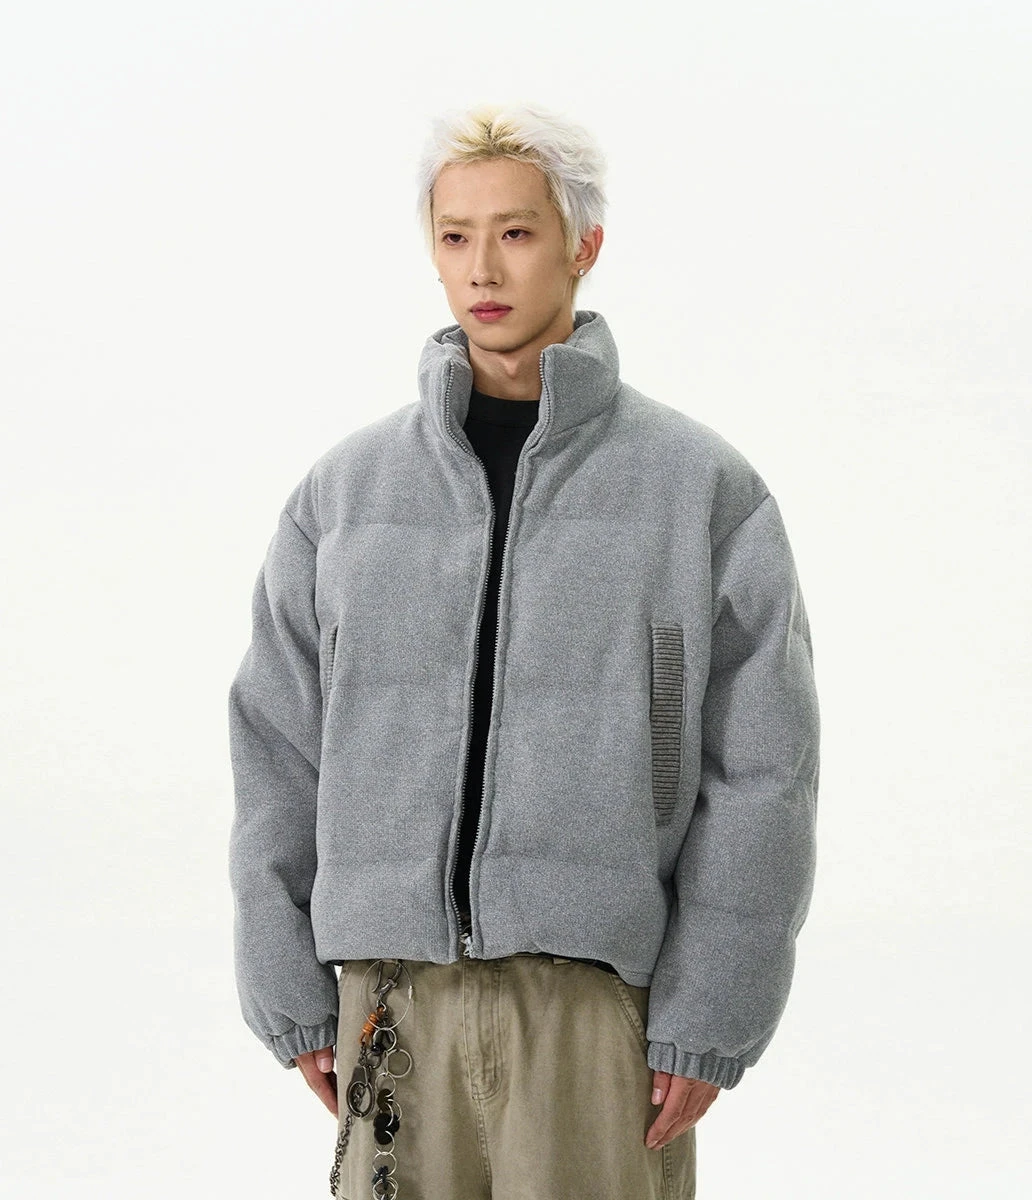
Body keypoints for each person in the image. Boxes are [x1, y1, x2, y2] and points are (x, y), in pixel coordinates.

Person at [227, 101, 820, 1200]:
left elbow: (764, 771)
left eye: (516, 232)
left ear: (582, 245)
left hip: (595, 1009)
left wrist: (715, 1007)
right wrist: (284, 981)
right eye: (455, 235)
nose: (482, 268)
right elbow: (276, 745)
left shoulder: (700, 490)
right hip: (391, 998)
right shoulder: (344, 495)